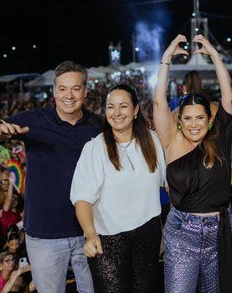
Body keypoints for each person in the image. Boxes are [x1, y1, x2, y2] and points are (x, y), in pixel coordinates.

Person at [0, 61, 103, 293]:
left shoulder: (98, 126)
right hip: (45, 236)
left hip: (90, 231)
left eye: (75, 88)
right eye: (62, 89)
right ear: (54, 91)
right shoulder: (35, 120)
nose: (69, 95)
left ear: (85, 90)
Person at [153, 34, 232, 293]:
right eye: (187, 118)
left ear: (210, 120)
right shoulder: (171, 141)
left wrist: (215, 56)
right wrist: (166, 59)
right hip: (181, 232)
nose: (193, 124)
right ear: (179, 120)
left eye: (199, 117)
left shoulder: (220, 140)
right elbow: (158, 103)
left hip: (219, 231)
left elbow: (229, 99)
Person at [71, 83, 166, 292]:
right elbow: (82, 198)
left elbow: (171, 184)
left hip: (147, 236)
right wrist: (90, 234)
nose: (116, 113)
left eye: (123, 106)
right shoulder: (95, 148)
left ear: (135, 110)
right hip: (108, 242)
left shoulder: (153, 142)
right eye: (110, 107)